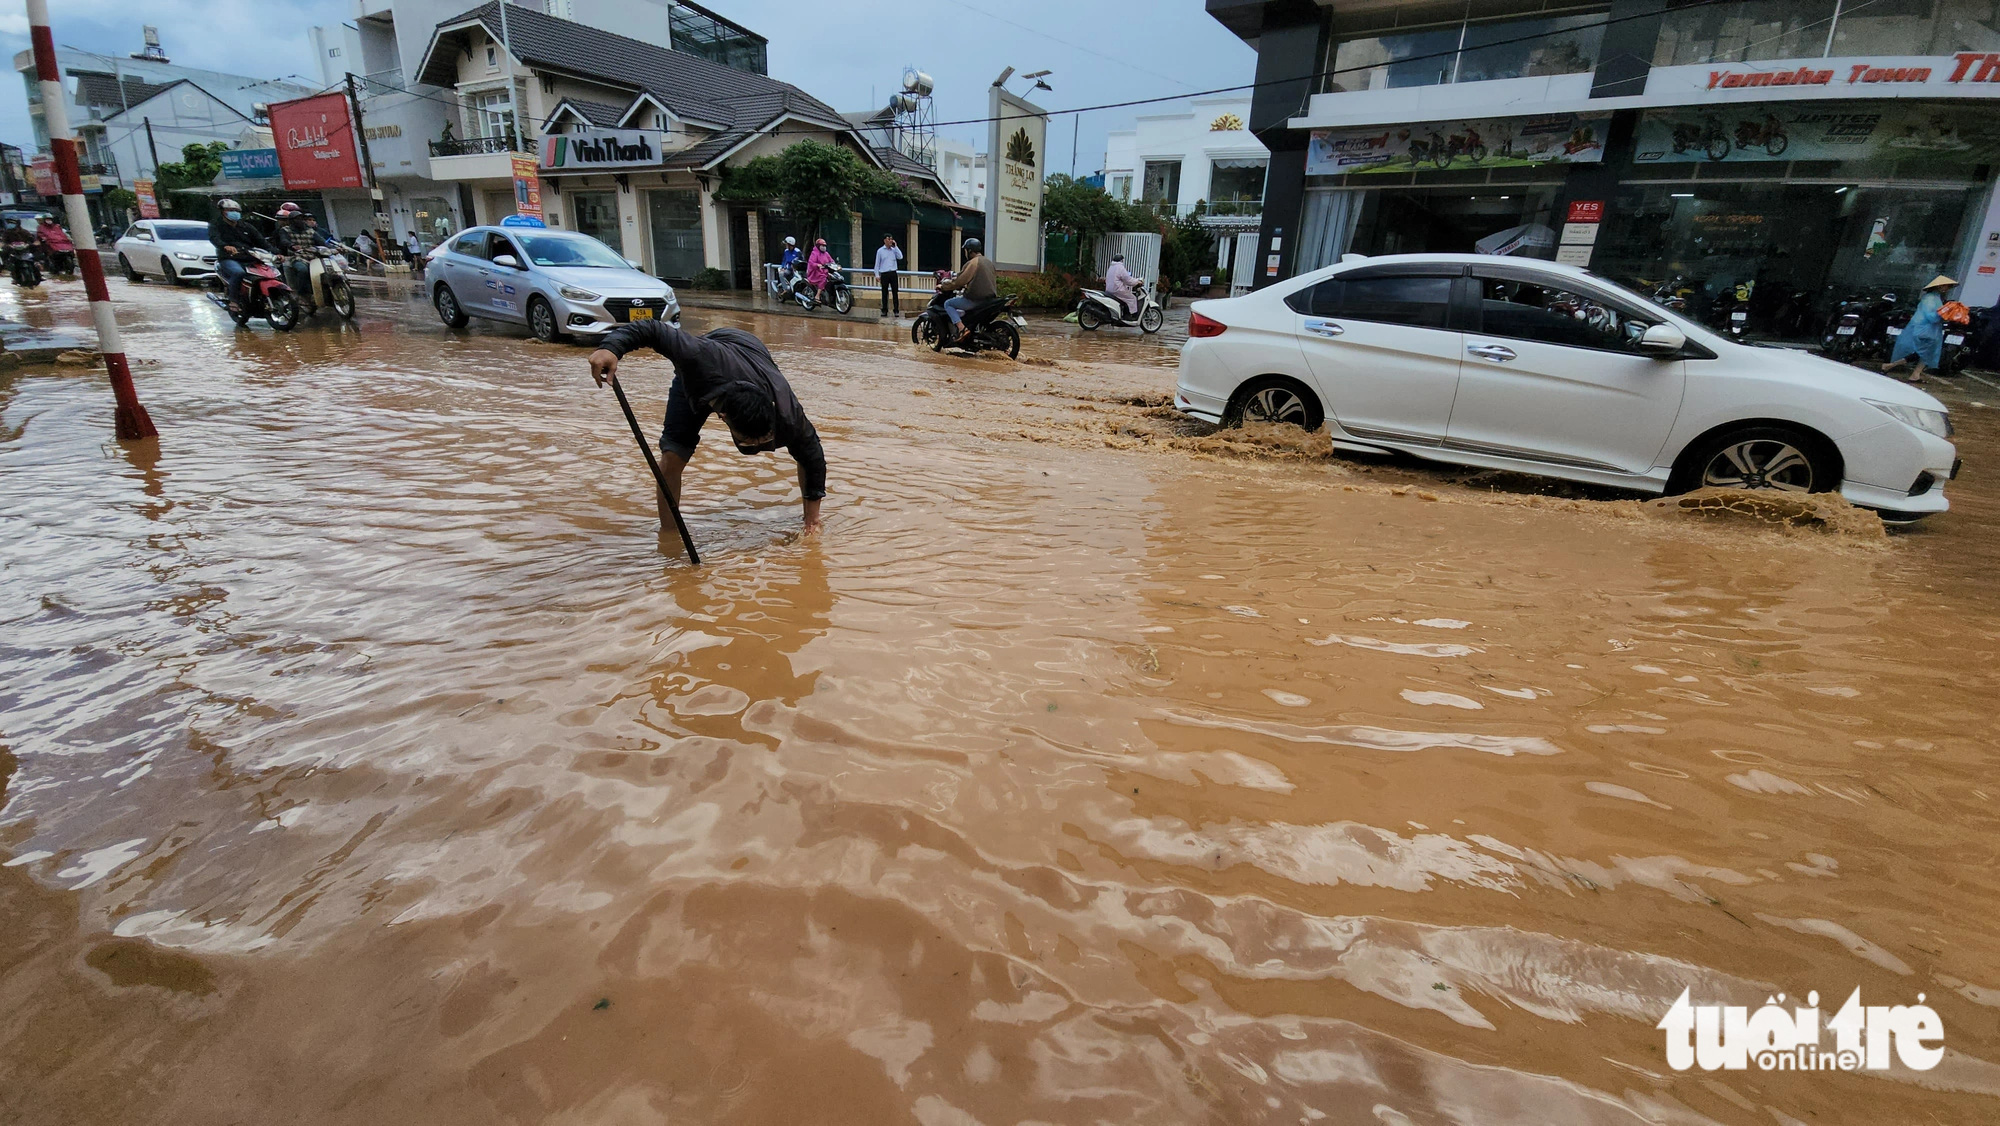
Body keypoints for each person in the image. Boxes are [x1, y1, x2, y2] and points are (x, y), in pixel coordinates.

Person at [586, 321, 826, 535]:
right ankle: (669, 530)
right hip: (701, 373)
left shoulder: (787, 410)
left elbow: (812, 456)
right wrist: (611, 348)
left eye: (763, 440)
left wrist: (811, 521)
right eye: (749, 442)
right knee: (672, 456)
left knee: (802, 445)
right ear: (722, 417)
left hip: (748, 351)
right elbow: (651, 329)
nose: (759, 447)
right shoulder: (695, 355)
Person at [1883, 274, 1957, 382]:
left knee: (1927, 352)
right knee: (1921, 352)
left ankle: (1915, 374)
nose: (1947, 288)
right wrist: (1945, 314)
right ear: (1939, 286)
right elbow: (1930, 315)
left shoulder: (1936, 298)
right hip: (1924, 328)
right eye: (1946, 286)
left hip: (1931, 329)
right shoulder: (1930, 298)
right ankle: (1889, 365)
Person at [207, 198, 270, 310]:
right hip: (229, 258)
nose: (234, 212)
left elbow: (262, 242)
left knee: (270, 273)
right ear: (223, 211)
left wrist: (278, 253)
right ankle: (233, 301)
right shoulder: (216, 225)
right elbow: (215, 239)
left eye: (236, 210)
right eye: (230, 210)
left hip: (249, 257)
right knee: (238, 273)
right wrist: (225, 246)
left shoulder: (247, 227)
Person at [937, 237, 997, 343]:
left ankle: (961, 329)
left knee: (948, 304)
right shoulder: (988, 262)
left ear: (969, 250)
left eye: (965, 250)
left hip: (975, 300)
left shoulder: (973, 263)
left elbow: (959, 282)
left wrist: (943, 287)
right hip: (990, 300)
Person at [271, 203, 333, 305]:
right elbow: (283, 241)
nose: (299, 221)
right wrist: (292, 246)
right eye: (296, 219)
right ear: (291, 221)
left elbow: (322, 242)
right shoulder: (284, 231)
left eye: (301, 218)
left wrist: (334, 248)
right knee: (302, 270)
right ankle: (303, 293)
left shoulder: (310, 231)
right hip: (296, 257)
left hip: (313, 256)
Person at [874, 233, 904, 318]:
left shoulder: (894, 250)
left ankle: (896, 310)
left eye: (891, 239)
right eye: (888, 239)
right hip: (884, 273)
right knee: (884, 293)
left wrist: (896, 247)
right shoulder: (880, 251)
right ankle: (884, 310)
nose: (890, 241)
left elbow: (900, 257)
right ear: (884, 240)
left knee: (895, 292)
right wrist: (877, 275)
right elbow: (877, 264)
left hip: (893, 273)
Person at [1105, 253, 1140, 320]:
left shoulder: (1111, 267)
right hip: (1117, 289)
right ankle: (1131, 316)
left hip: (1109, 289)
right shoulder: (1120, 267)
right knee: (1132, 298)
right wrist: (1137, 281)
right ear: (1121, 260)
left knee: (1125, 298)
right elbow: (1129, 280)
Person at [804, 237, 834, 305]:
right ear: (818, 246)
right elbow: (811, 262)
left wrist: (835, 265)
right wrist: (817, 265)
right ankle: (817, 296)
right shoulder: (814, 253)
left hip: (824, 272)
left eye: (825, 246)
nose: (824, 247)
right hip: (815, 273)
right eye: (822, 246)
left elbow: (831, 260)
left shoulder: (826, 253)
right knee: (823, 279)